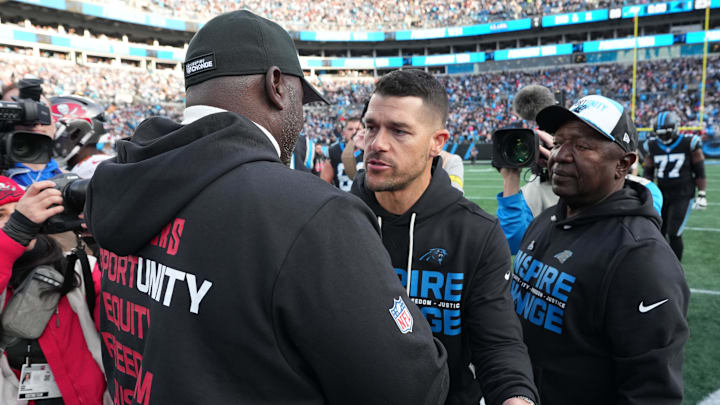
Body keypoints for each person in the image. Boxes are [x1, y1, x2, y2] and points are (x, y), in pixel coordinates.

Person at [85, 11, 449, 405]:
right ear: (276, 85)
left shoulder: (124, 185)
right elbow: (410, 387)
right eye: (300, 98)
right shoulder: (314, 213)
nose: (301, 115)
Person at [350, 70, 538, 405]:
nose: (376, 143)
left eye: (399, 130)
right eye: (371, 126)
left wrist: (516, 398)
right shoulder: (334, 219)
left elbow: (498, 345)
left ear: (438, 142)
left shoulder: (476, 233)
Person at [513, 95, 689, 404]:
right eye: (558, 142)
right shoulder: (548, 218)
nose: (561, 156)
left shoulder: (641, 258)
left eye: (582, 146)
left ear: (623, 164)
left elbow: (651, 393)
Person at [0, 176, 108, 404]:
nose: (15, 219)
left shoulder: (78, 268)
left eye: (18, 210)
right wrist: (15, 232)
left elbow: (124, 325)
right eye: (0, 215)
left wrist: (109, 250)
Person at [497, 129, 663, 254]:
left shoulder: (642, 190)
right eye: (556, 145)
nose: (560, 154)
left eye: (579, 146)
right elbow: (513, 242)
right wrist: (511, 178)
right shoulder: (533, 190)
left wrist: (573, 175)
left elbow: (629, 230)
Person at [642, 110, 707, 261]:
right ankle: (662, 262)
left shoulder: (688, 143)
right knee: (658, 230)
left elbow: (699, 170)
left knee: (674, 232)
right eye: (660, 133)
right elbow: (648, 171)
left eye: (666, 133)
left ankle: (675, 267)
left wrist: (702, 193)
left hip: (683, 194)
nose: (662, 137)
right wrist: (646, 192)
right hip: (662, 193)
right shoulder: (652, 145)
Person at [1, 81, 63, 188]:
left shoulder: (67, 179)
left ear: (54, 123)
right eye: (20, 112)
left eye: (42, 112)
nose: (35, 122)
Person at [321, 116, 363, 190]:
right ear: (344, 132)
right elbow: (324, 183)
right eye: (350, 129)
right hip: (343, 199)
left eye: (358, 129)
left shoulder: (370, 150)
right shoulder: (334, 151)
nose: (354, 132)